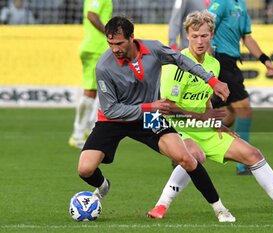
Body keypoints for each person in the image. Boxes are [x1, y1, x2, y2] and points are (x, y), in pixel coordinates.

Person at [147, 10, 273, 220]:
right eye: (194, 36)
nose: (199, 41)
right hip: (174, 126)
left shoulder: (213, 64)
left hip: (201, 126)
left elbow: (204, 100)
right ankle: (161, 205)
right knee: (194, 156)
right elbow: (167, 106)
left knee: (253, 155)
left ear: (212, 35)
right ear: (187, 35)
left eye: (204, 35)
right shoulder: (176, 64)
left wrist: (217, 123)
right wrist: (200, 119)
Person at [77, 16, 235, 222]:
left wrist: (212, 81)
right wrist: (150, 106)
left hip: (149, 118)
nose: (114, 49)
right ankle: (103, 186)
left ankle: (220, 208)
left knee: (187, 158)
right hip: (114, 120)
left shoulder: (153, 49)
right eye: (110, 44)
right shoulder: (103, 66)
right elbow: (111, 110)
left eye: (119, 43)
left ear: (132, 38)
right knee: (85, 169)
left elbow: (182, 60)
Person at [208, 0, 273, 175]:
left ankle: (192, 140)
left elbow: (247, 38)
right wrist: (208, 61)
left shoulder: (241, 5)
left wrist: (265, 59)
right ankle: (245, 163)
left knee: (229, 114)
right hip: (221, 61)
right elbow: (205, 26)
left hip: (231, 62)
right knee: (244, 110)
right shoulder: (221, 2)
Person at [68, 0, 113, 149]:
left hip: (94, 48)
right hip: (96, 48)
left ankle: (87, 129)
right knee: (91, 92)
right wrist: (108, 32)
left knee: (96, 91)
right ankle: (78, 134)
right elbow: (91, 15)